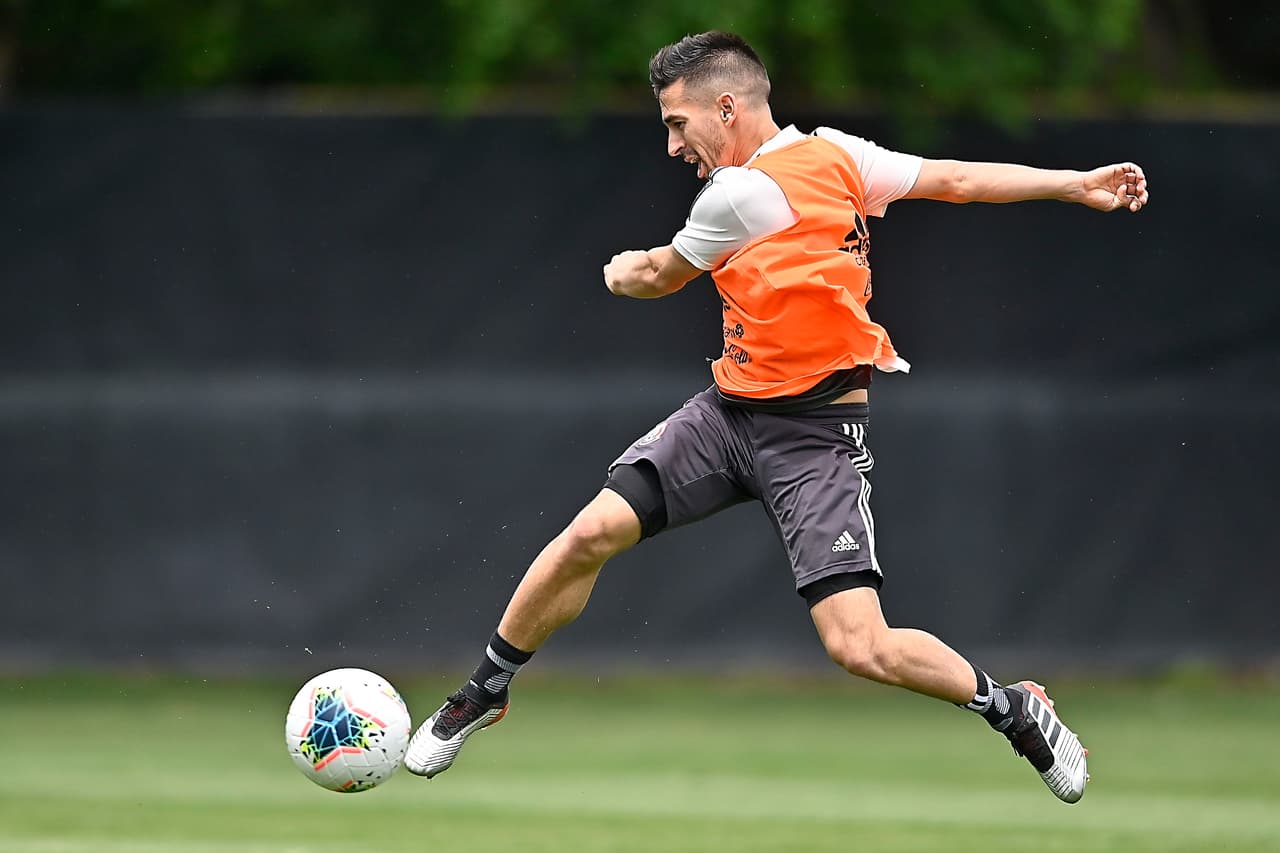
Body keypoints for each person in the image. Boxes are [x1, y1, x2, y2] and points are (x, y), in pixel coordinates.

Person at [403, 30, 1148, 803]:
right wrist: (1070, 182)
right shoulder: (835, 156)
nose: (671, 145)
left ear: (725, 107)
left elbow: (661, 274)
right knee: (590, 532)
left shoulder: (743, 191)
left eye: (676, 123)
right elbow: (953, 178)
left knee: (861, 646)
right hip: (727, 417)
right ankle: (483, 692)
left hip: (815, 439)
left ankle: (1015, 710)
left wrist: (623, 272)